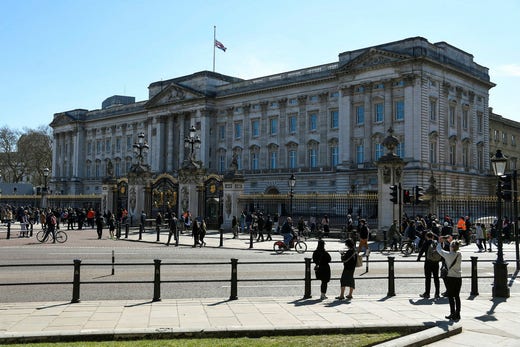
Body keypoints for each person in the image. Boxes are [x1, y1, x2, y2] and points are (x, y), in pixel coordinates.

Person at [437, 236, 462, 321]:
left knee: (451, 296)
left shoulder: (448, 255)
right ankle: (458, 313)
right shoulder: (459, 254)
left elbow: (439, 250)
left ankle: (452, 313)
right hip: (458, 277)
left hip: (450, 277)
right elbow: (456, 249)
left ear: (451, 247)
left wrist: (440, 242)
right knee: (457, 296)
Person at [416, 231, 441, 299]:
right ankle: (437, 293)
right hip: (436, 262)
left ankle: (427, 293)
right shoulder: (436, 243)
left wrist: (418, 258)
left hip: (428, 262)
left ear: (426, 237)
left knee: (428, 278)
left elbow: (421, 251)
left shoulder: (426, 243)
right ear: (433, 237)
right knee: (436, 278)